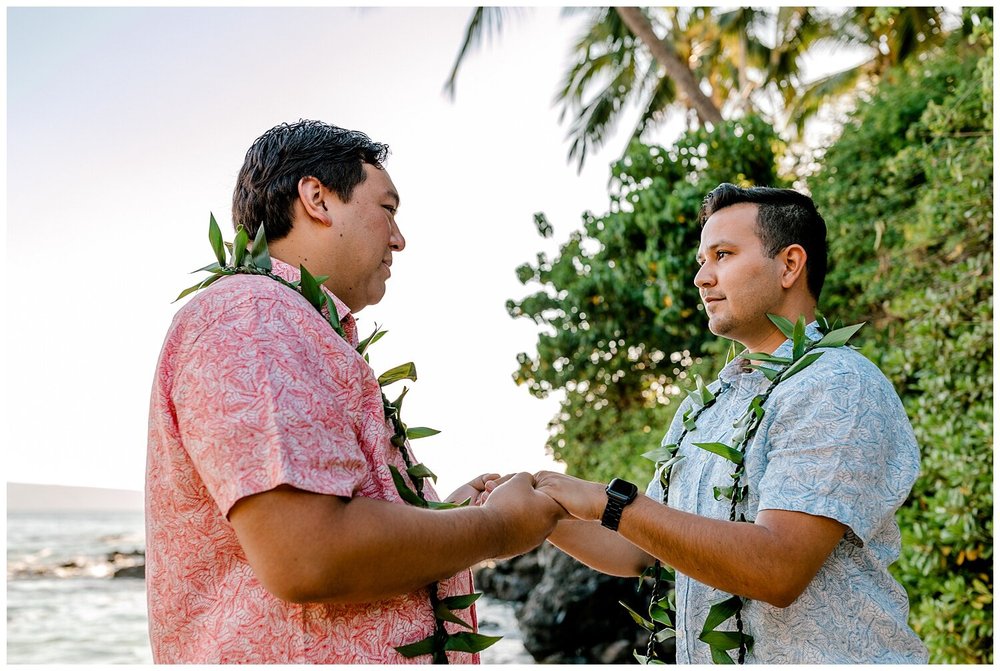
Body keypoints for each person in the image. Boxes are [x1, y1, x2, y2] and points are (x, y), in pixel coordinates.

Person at [145, 119, 562, 664]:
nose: (399, 238)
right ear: (317, 198)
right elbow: (308, 555)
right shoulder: (252, 316)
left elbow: (329, 525)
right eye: (387, 209)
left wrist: (440, 514)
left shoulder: (288, 325)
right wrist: (496, 529)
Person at [529, 184, 929, 663]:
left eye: (723, 254)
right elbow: (644, 551)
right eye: (702, 260)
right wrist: (544, 508)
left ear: (789, 265)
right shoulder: (706, 407)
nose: (702, 277)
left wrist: (609, 501)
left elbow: (778, 568)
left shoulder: (837, 384)